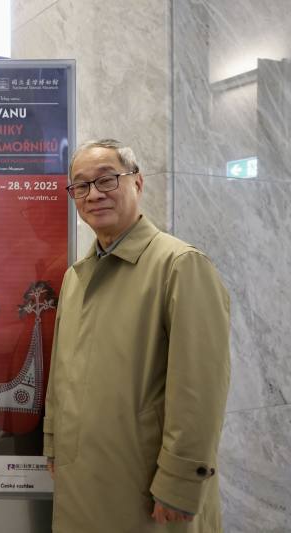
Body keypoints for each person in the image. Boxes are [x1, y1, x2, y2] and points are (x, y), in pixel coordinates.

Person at [43, 139, 230, 532]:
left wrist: (181, 481)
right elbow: (62, 375)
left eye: (106, 180)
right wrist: (53, 442)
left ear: (137, 183)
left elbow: (200, 388)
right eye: (81, 186)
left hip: (146, 491)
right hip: (82, 481)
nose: (93, 195)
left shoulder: (180, 265)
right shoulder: (76, 276)